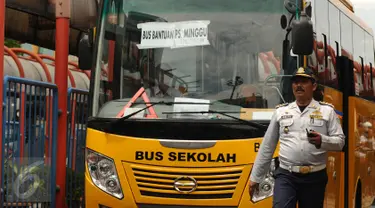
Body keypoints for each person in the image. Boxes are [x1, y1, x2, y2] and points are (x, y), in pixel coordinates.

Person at [249, 67, 345, 208]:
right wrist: (255, 178)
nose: (298, 85)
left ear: (313, 86)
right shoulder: (281, 112)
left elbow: (340, 142)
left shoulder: (327, 112)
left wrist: (322, 141)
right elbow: (267, 147)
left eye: (304, 82)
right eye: (295, 82)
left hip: (315, 176)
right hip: (286, 175)